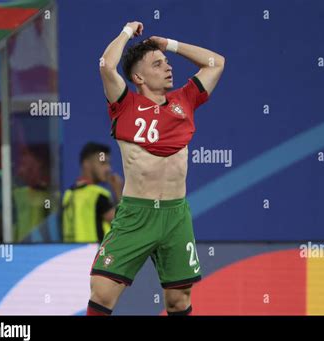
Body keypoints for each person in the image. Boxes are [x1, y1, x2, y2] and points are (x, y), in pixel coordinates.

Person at [88, 21, 225, 316]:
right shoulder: (124, 104)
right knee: (102, 291)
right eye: (158, 64)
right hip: (137, 213)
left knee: (179, 300)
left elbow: (216, 63)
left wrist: (169, 44)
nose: (168, 68)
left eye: (167, 63)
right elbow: (106, 65)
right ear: (138, 76)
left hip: (176, 215)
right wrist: (125, 31)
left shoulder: (185, 100)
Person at [62, 142, 123, 243]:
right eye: (103, 163)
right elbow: (123, 225)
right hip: (94, 256)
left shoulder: (68, 194)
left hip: (70, 254)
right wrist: (118, 193)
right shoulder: (99, 195)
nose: (108, 169)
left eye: (109, 163)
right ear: (87, 164)